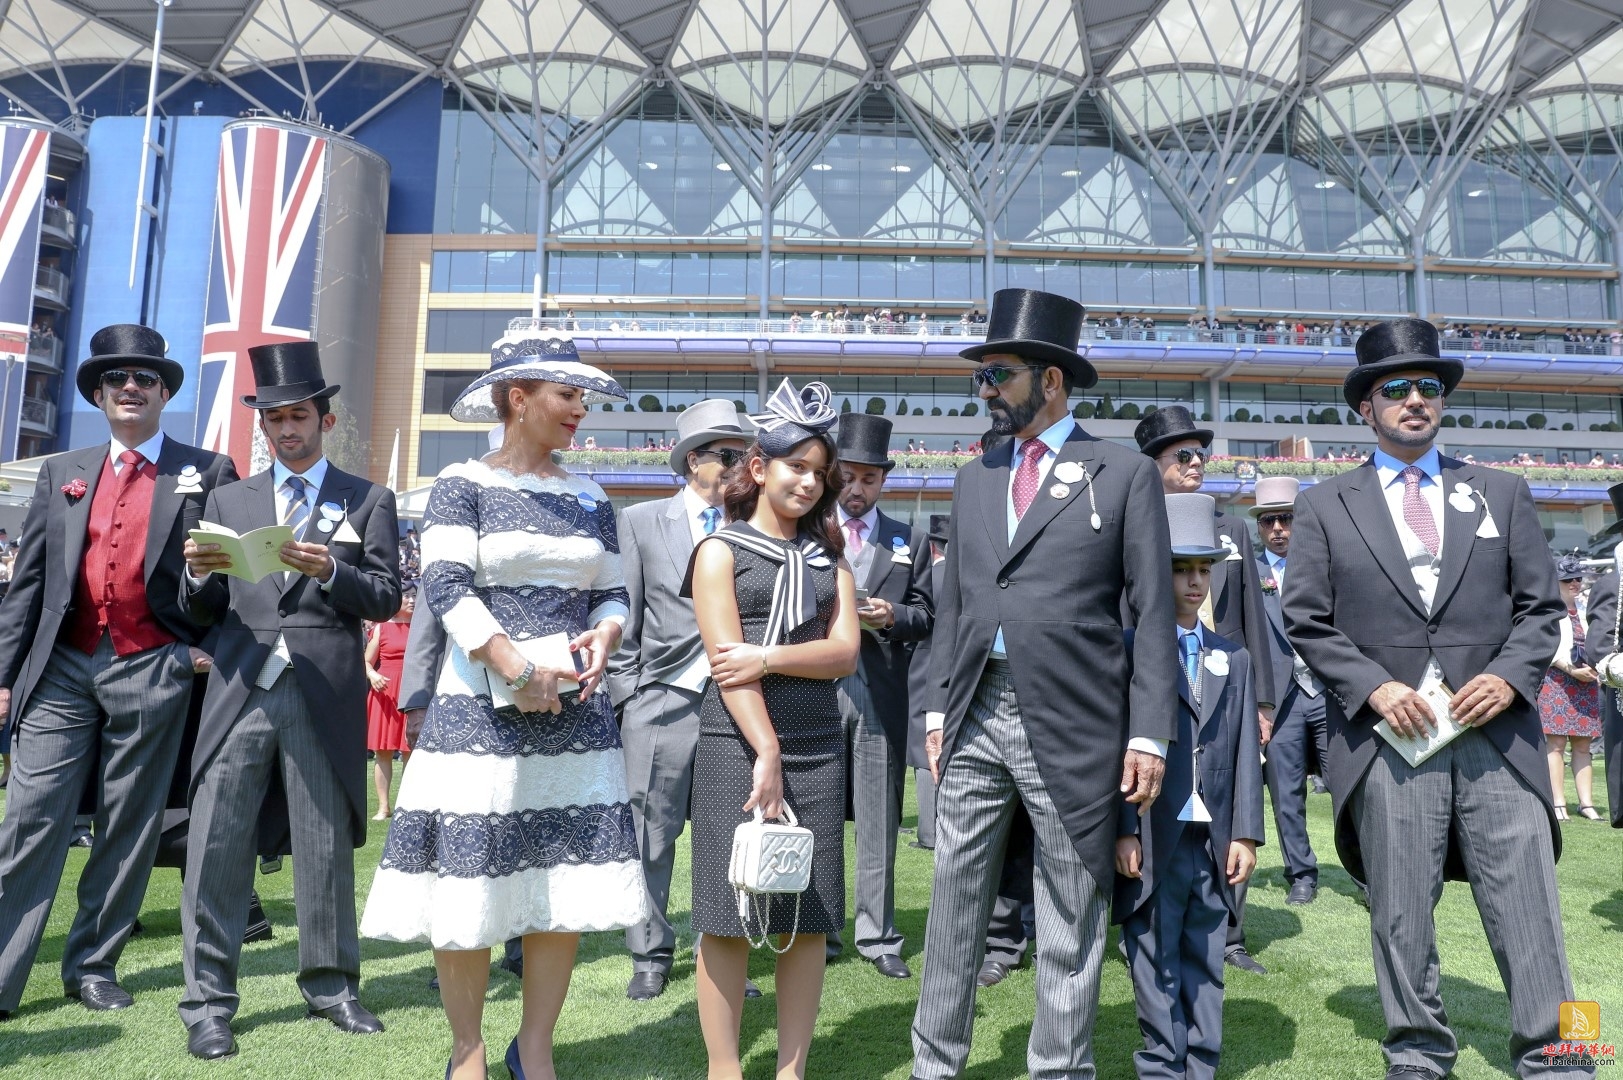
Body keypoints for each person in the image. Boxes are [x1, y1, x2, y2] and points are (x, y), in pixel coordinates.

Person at [1284, 318, 1582, 1080]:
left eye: (1428, 387)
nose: (1415, 399)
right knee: (1399, 908)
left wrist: (1510, 675)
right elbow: (1305, 621)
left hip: (1495, 729)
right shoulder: (1323, 506)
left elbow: (1542, 611)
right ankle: (1416, 1052)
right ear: (1365, 407)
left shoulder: (1502, 492)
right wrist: (1373, 687)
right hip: (1392, 734)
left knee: (1531, 907)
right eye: (1396, 388)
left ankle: (1564, 1053)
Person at [361, 332, 646, 1080]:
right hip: (478, 714)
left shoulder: (591, 495)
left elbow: (611, 590)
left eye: (582, 396)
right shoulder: (463, 482)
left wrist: (608, 632)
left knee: (564, 879)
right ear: (518, 398)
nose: (581, 409)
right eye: (567, 394)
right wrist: (515, 666)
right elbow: (447, 586)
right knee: (471, 878)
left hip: (575, 714)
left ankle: (537, 1049)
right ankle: (469, 1052)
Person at [912, 288, 1176, 1080]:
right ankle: (934, 1066)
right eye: (982, 375)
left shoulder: (1124, 472)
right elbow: (954, 601)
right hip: (971, 712)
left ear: (1050, 379)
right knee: (952, 907)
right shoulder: (973, 476)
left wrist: (1146, 732)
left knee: (1069, 913)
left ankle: (1058, 1070)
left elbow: (1153, 610)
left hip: (1075, 720)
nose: (986, 388)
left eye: (998, 373)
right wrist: (934, 707)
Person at [0, 325, 237, 1021]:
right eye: (116, 379)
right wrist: (5, 672)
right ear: (100, 396)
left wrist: (199, 648)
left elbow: (226, 585)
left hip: (151, 663)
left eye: (144, 378)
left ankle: (93, 967)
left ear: (163, 392)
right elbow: (29, 585)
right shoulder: (60, 471)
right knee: (29, 823)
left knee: (129, 827)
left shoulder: (208, 471)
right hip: (62, 668)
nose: (129, 387)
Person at [179, 341, 401, 1060]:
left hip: (321, 687)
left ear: (325, 419)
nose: (284, 430)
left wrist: (335, 569)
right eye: (272, 419)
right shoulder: (226, 498)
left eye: (297, 416)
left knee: (323, 845)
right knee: (215, 844)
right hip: (240, 684)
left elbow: (387, 596)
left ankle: (332, 985)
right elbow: (202, 606)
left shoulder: (367, 499)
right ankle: (208, 1002)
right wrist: (196, 575)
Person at [685, 378, 860, 1080]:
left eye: (821, 473)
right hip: (738, 741)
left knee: (806, 916)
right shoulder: (718, 552)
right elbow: (727, 669)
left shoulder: (831, 562)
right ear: (758, 467)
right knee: (726, 913)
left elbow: (843, 654)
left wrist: (770, 654)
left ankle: (792, 1070)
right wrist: (765, 749)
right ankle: (723, 1069)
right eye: (797, 467)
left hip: (817, 744)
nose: (809, 483)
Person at [608, 399, 754, 1002]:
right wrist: (630, 697)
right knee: (650, 830)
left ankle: (722, 953)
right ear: (694, 461)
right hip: (659, 700)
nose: (740, 465)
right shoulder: (641, 521)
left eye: (746, 455)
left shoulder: (755, 526)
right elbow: (624, 613)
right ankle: (650, 952)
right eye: (727, 456)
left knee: (731, 832)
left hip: (736, 700)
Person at [1115, 491, 1263, 1080]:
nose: (1195, 582)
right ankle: (1160, 1062)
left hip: (1214, 832)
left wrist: (1247, 833)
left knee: (1206, 948)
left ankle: (1202, 1062)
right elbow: (1118, 749)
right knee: (1153, 949)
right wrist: (1124, 829)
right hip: (1154, 829)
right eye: (1181, 570)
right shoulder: (1128, 652)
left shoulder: (1236, 657)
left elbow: (1247, 755)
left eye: (1204, 569)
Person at [1133, 405, 1275, 974]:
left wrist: (1261, 699)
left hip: (1226, 684)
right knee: (1159, 805)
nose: (1195, 465)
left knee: (1227, 803)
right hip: (1159, 681)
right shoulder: (1135, 523)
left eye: (1200, 455)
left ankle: (1230, 934)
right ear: (1154, 467)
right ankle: (1147, 915)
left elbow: (1252, 619)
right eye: (1182, 456)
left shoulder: (1231, 528)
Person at [829, 412, 934, 977]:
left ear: (883, 480)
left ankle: (878, 936)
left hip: (881, 694)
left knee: (878, 821)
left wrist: (893, 615)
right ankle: (816, 930)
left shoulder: (908, 540)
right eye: (848, 476)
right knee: (814, 815)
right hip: (817, 691)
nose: (857, 489)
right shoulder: (804, 532)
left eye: (868, 479)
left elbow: (928, 616)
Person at [1250, 476, 1327, 905]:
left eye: (1287, 519)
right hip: (1278, 700)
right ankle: (1301, 872)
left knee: (1351, 788)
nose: (1278, 528)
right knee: (1285, 792)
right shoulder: (1246, 572)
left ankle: (1365, 869)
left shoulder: (1324, 564)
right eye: (1268, 521)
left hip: (1329, 692)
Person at [1541, 554, 1602, 821]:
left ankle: (1586, 804)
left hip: (1586, 681)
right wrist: (1568, 668)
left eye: (1577, 578)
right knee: (1554, 744)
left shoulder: (1588, 607)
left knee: (1582, 745)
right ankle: (1558, 803)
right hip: (1556, 680)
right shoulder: (1546, 609)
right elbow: (1543, 645)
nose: (1574, 583)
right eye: (1568, 579)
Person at [906, 513, 952, 850]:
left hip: (922, 667)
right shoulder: (963, 575)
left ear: (933, 546)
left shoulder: (929, 575)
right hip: (955, 670)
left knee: (923, 750)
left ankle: (929, 831)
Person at [365, 585, 415, 820]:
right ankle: (384, 807)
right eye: (407, 596)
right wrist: (373, 675)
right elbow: (365, 662)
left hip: (413, 693)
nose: (412, 600)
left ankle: (408, 806)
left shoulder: (420, 628)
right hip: (385, 693)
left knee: (411, 751)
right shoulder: (381, 628)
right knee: (383, 752)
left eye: (414, 595)